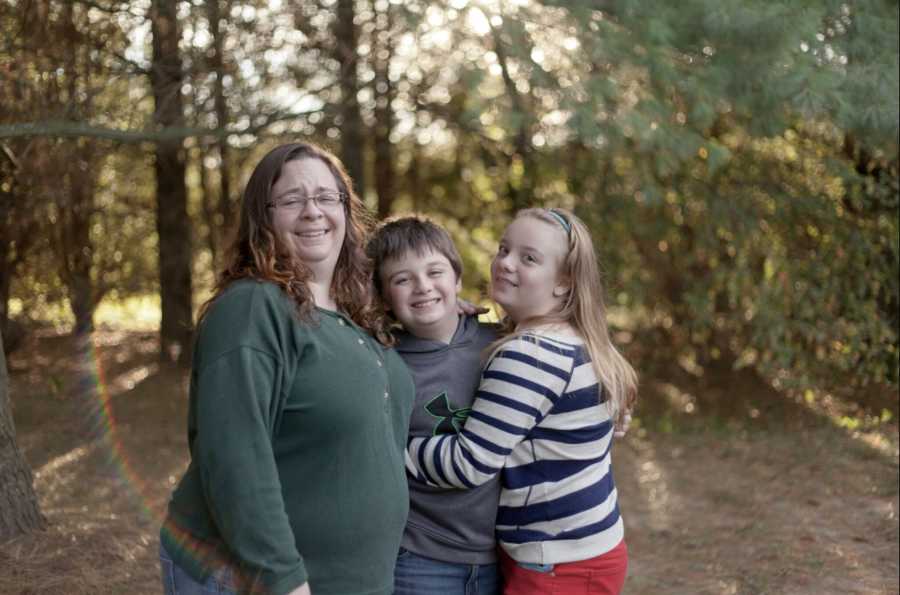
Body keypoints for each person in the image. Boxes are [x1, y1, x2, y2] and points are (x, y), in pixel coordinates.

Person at [159, 142, 415, 595]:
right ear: (264, 216)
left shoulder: (355, 310)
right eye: (292, 200)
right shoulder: (252, 307)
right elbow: (234, 455)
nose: (312, 212)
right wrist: (282, 578)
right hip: (258, 578)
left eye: (325, 197)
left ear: (345, 208)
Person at [405, 207, 638, 595]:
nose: (505, 264)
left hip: (557, 563)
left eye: (528, 258)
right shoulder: (575, 339)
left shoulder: (528, 355)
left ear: (563, 282)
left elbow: (469, 463)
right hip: (589, 547)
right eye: (503, 249)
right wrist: (449, 314)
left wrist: (393, 449)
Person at [366, 217, 502, 595]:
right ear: (384, 296)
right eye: (402, 279)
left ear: (457, 280)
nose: (423, 286)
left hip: (503, 552)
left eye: (435, 271)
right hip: (421, 557)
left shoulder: (500, 342)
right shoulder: (383, 362)